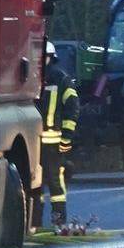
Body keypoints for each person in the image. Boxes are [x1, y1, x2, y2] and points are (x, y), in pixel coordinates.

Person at [40, 39, 80, 227]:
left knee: (55, 184)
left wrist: (66, 138)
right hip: (33, 140)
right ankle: (34, 224)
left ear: (50, 58)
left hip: (52, 141)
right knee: (34, 185)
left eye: (43, 57)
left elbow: (72, 107)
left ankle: (59, 223)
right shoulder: (32, 78)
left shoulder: (60, 79)